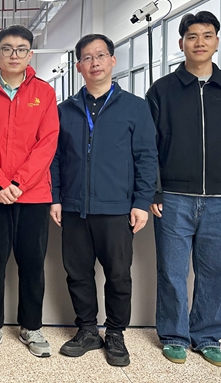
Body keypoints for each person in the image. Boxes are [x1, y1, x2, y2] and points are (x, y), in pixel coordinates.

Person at [146, 11, 221, 367]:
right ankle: (174, 335)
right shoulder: (162, 91)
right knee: (171, 270)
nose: (200, 42)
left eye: (207, 35)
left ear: (216, 42)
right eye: (192, 36)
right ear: (181, 43)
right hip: (174, 198)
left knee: (216, 270)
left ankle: (208, 336)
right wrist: (154, 190)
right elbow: (148, 148)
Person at [50, 34, 158, 367]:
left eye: (100, 55)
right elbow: (55, 159)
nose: (94, 62)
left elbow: (146, 157)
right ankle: (87, 330)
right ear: (78, 66)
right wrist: (55, 198)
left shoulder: (135, 107)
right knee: (77, 273)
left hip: (116, 208)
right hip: (74, 207)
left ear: (113, 60)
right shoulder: (64, 110)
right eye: (87, 57)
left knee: (118, 275)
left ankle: (115, 334)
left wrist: (141, 201)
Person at [0, 24, 59, 358]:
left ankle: (31, 327)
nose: (14, 55)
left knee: (32, 263)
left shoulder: (44, 93)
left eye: (21, 49)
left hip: (32, 195)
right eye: (7, 49)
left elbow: (47, 143)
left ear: (30, 54)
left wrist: (19, 183)